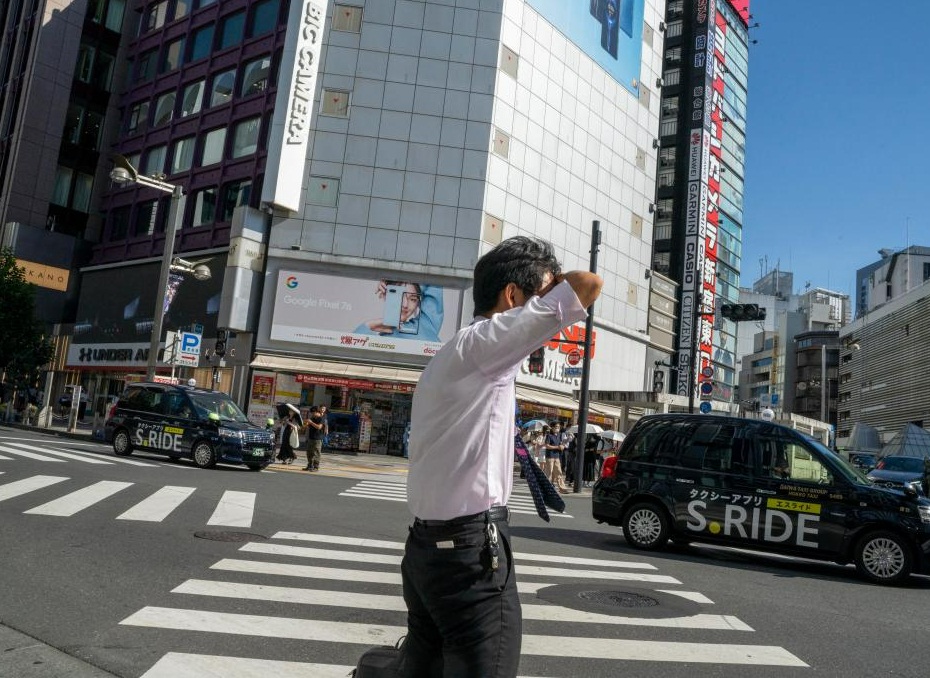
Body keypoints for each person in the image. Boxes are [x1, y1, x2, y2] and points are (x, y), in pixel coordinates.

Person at [399, 236, 602, 677]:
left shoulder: (456, 353)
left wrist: (543, 291)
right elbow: (587, 284)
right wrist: (553, 290)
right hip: (467, 556)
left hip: (427, 553)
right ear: (513, 296)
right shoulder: (488, 344)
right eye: (539, 296)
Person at [354, 281, 444, 342]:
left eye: (412, 299)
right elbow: (348, 353)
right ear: (386, 296)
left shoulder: (426, 324)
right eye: (399, 296)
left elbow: (435, 283)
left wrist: (396, 275)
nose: (405, 305)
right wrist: (369, 325)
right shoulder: (379, 340)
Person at [544, 422, 568, 492]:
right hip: (550, 457)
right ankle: (547, 488)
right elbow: (547, 446)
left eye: (558, 427)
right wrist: (557, 447)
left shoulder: (559, 435)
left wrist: (562, 446)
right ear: (552, 427)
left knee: (559, 473)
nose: (558, 428)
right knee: (549, 473)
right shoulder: (549, 436)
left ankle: (562, 488)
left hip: (557, 456)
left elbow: (560, 444)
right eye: (556, 427)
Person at [304, 405, 325, 471]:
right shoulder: (312, 418)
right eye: (311, 413)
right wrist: (306, 424)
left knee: (316, 453)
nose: (312, 414)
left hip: (318, 438)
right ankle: (310, 465)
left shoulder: (321, 418)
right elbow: (308, 427)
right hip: (311, 437)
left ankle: (316, 467)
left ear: (316, 412)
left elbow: (319, 427)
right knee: (309, 452)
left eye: (313, 413)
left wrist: (311, 422)